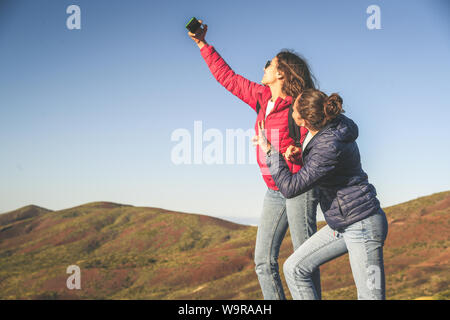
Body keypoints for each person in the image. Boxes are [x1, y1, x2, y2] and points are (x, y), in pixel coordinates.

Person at [188, 20, 321, 299]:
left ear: (281, 73)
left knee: (304, 262)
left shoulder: (300, 104)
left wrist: (298, 150)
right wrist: (202, 44)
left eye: (268, 63)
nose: (264, 67)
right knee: (263, 261)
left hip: (299, 189)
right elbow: (229, 78)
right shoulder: (261, 98)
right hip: (274, 191)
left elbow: (321, 138)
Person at [255, 89, 389, 300]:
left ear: (303, 119)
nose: (291, 109)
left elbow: (290, 188)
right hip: (342, 223)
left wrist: (271, 152)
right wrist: (299, 153)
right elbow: (321, 165)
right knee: (294, 268)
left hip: (362, 225)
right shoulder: (326, 128)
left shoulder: (329, 146)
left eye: (294, 107)